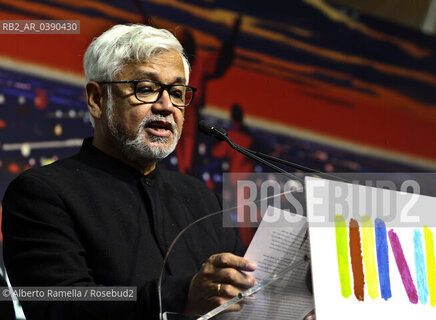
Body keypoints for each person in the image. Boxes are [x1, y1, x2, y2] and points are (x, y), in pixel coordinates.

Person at [1, 24, 257, 320]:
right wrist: (178, 297)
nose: (166, 106)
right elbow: (60, 305)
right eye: (146, 89)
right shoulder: (43, 193)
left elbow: (243, 300)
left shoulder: (203, 201)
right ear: (97, 100)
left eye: (176, 92)